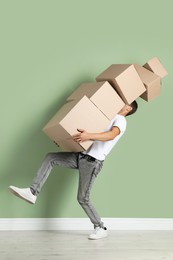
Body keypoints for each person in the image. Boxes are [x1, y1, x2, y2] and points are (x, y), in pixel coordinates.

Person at [9, 101, 138, 240]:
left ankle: (100, 227)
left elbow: (111, 136)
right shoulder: (107, 117)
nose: (122, 102)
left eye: (126, 102)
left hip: (92, 162)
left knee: (83, 198)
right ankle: (32, 192)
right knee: (51, 157)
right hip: (81, 156)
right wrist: (64, 140)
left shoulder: (121, 120)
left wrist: (89, 136)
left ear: (129, 108)